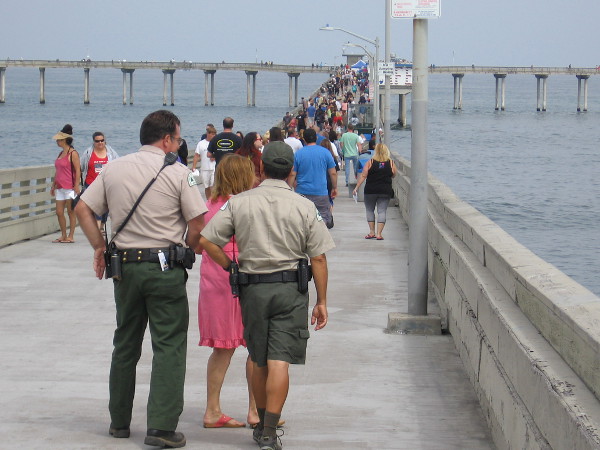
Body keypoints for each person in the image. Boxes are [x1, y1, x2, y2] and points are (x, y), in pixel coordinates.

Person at [75, 110, 207, 449]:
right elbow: (198, 224)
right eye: (177, 139)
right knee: (168, 346)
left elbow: (82, 209)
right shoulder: (181, 173)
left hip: (126, 268)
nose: (178, 145)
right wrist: (190, 248)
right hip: (165, 269)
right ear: (166, 140)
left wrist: (99, 247)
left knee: (125, 343)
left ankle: (119, 422)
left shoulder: (114, 168)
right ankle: (161, 428)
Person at [199, 141, 335, 450]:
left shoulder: (239, 203)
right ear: (291, 171)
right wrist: (321, 301)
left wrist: (231, 267)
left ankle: (259, 423)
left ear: (262, 169)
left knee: (257, 358)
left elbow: (207, 241)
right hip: (290, 290)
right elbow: (320, 258)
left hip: (253, 289)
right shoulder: (304, 205)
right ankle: (270, 429)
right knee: (279, 362)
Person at [197, 154, 256, 429]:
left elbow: (199, 244)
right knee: (256, 347)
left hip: (214, 278)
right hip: (240, 275)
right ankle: (256, 410)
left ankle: (213, 409)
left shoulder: (209, 205)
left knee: (223, 349)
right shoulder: (244, 206)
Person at [289, 128, 337, 229]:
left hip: (302, 192)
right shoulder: (325, 153)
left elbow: (292, 174)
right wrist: (334, 187)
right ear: (316, 138)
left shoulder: (298, 154)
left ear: (304, 139)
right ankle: (319, 238)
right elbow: (333, 173)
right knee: (323, 217)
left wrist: (289, 188)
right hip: (321, 192)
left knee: (302, 218)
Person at [353, 143, 397, 240]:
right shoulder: (391, 163)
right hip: (385, 191)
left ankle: (371, 232)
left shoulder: (370, 162)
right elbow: (393, 174)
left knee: (369, 210)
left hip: (370, 190)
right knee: (382, 211)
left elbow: (363, 175)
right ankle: (379, 234)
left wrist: (356, 187)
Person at [80, 131, 119, 232]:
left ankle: (101, 226)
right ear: (93, 142)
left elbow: (118, 165)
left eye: (102, 141)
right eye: (97, 141)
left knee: (105, 209)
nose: (100, 143)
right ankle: (97, 230)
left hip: (105, 185)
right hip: (91, 184)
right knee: (96, 207)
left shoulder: (111, 153)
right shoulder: (88, 153)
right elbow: (81, 167)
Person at [51, 124, 81, 243]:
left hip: (70, 187)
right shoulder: (60, 154)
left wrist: (76, 185)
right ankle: (63, 235)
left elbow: (78, 170)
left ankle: (71, 236)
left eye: (59, 140)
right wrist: (53, 185)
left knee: (70, 211)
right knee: (59, 212)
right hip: (60, 187)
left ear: (64, 140)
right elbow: (57, 171)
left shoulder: (72, 153)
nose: (57, 142)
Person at [192, 125, 217, 198]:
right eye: (212, 134)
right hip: (204, 168)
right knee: (207, 187)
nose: (213, 136)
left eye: (214, 134)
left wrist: (214, 157)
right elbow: (197, 155)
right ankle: (209, 201)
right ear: (208, 134)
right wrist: (194, 167)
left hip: (214, 168)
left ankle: (213, 201)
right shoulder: (201, 143)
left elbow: (220, 153)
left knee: (213, 186)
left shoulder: (216, 143)